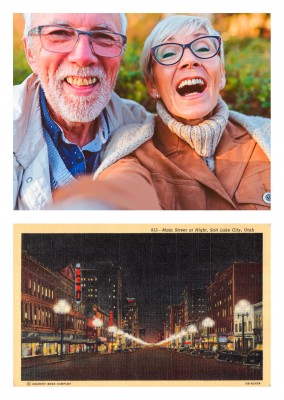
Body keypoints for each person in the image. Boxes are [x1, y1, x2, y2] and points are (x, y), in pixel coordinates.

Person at [59, 14, 269, 210]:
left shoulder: (268, 135)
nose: (189, 60)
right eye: (169, 53)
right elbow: (121, 189)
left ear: (221, 74)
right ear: (153, 85)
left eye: (203, 49)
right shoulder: (133, 149)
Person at [13, 13, 159, 210]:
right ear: (30, 52)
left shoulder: (144, 128)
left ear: (121, 53)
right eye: (59, 33)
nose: (82, 57)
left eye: (103, 37)